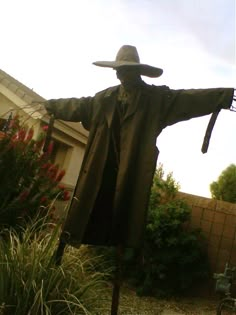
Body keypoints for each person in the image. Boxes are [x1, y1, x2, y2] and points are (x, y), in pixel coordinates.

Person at [44, 45, 235, 255]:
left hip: (132, 171)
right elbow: (77, 106)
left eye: (126, 70)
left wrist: (222, 96)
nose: (121, 74)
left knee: (123, 219)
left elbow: (187, 99)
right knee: (87, 208)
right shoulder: (102, 100)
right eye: (118, 70)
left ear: (137, 72)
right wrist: (51, 106)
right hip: (100, 167)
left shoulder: (155, 99)